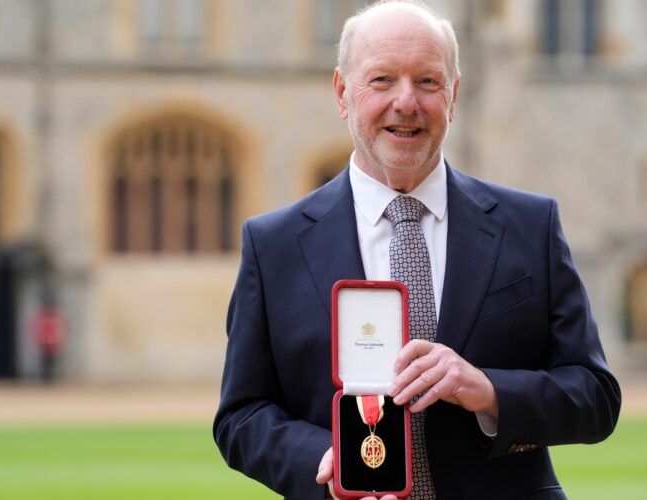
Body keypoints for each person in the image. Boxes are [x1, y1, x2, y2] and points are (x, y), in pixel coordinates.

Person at [213, 1, 621, 499]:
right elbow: (241, 416)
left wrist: (487, 390)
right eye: (382, 80)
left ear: (453, 96)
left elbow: (596, 396)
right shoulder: (272, 245)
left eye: (427, 82)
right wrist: (328, 463)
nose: (406, 102)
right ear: (343, 93)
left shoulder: (530, 226)